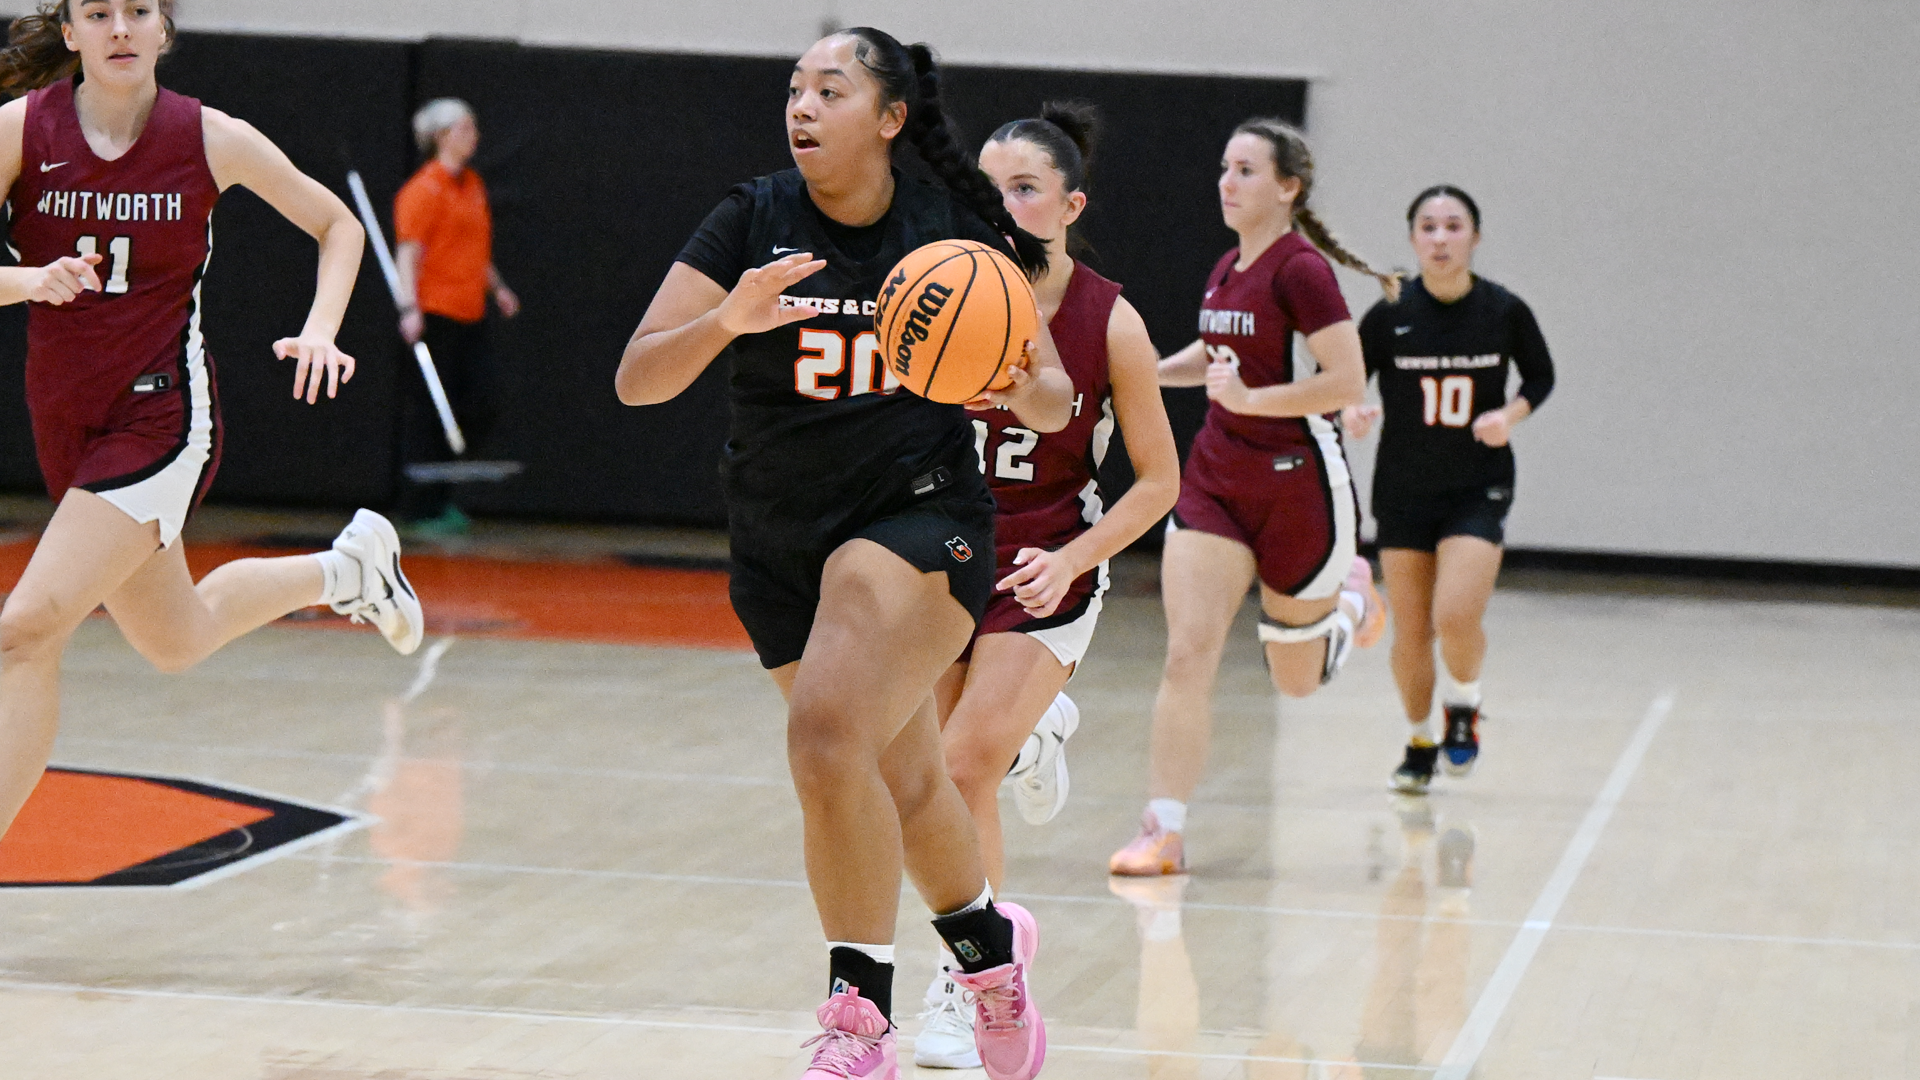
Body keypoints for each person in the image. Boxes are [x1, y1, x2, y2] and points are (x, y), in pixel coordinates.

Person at [614, 28, 1073, 1080]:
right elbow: (637, 378)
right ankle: (992, 957)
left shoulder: (948, 227)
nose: (803, 107)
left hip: (918, 518)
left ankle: (859, 1018)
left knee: (825, 736)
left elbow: (1050, 393)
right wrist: (728, 320)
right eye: (794, 89)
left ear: (891, 117)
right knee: (903, 780)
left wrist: (1009, 378)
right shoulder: (752, 217)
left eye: (831, 88)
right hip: (777, 538)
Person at [0, 0, 422, 839]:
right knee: (175, 638)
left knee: (24, 631)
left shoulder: (209, 136)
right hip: (66, 420)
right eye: (99, 12)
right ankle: (349, 572)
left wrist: (321, 328)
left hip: (159, 418)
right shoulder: (20, 130)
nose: (121, 28)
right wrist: (28, 280)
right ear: (72, 32)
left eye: (138, 11)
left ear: (164, 30)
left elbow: (336, 224)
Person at [914, 102, 1180, 1070]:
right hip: (946, 554)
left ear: (1071, 205)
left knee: (957, 766)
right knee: (950, 780)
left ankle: (967, 980)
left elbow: (1161, 481)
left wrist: (1074, 557)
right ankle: (1037, 735)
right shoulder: (941, 289)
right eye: (989, 191)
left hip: (1045, 563)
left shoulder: (1112, 320)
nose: (1004, 206)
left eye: (1025, 189)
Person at [1109, 118, 1394, 878]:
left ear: (1287, 187)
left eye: (1244, 171)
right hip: (1216, 482)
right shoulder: (1228, 266)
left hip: (1300, 488)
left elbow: (1344, 382)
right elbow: (1215, 356)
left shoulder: (1302, 271)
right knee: (1187, 651)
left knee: (1296, 682)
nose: (1226, 183)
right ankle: (1163, 830)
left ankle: (1353, 602)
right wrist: (1135, 376)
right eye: (1224, 169)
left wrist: (1252, 398)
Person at [1341, 185, 1554, 793]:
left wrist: (1508, 416)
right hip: (1404, 490)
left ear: (1474, 237)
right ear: (1413, 239)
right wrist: (1352, 410)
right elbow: (1347, 378)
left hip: (1477, 486)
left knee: (1455, 615)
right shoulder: (1390, 312)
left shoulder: (1503, 310)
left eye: (1453, 226)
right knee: (1412, 631)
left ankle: (1464, 703)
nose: (1440, 238)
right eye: (1428, 227)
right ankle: (1419, 740)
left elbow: (1541, 375)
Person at [392, 97, 520, 537]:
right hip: (435, 313)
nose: (475, 137)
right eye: (466, 129)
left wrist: (498, 288)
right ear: (442, 135)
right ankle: (419, 509)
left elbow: (476, 250)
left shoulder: (473, 186)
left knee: (479, 403)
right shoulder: (422, 190)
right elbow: (408, 253)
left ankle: (443, 497)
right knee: (431, 412)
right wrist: (409, 307)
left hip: (472, 312)